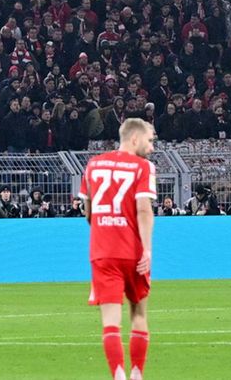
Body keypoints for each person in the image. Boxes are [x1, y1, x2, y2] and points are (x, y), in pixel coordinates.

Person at [78, 118, 157, 380]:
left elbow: (88, 213)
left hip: (102, 252)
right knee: (138, 314)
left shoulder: (92, 165)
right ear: (134, 139)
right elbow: (144, 209)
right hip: (132, 251)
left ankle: (119, 375)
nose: (152, 147)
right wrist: (147, 250)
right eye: (149, 140)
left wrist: (103, 228)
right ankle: (137, 374)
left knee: (110, 322)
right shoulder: (143, 167)